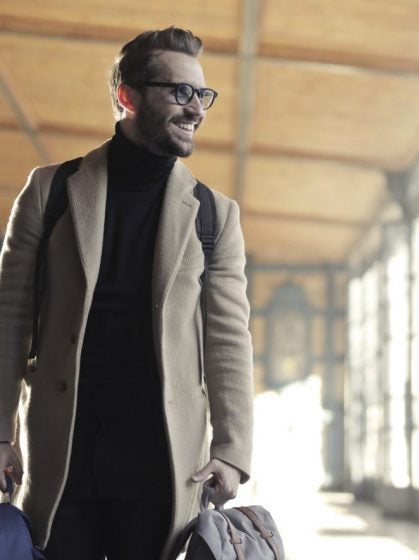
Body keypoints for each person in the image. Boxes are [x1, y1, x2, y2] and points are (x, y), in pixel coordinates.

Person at [0, 26, 254, 560]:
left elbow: (229, 339)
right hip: (63, 453)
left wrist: (232, 450)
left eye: (202, 94)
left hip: (162, 459)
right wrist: (1, 433)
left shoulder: (215, 215)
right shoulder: (49, 191)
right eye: (180, 92)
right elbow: (9, 320)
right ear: (127, 96)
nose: (196, 108)